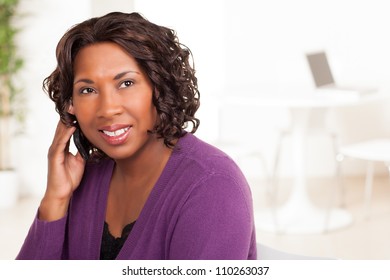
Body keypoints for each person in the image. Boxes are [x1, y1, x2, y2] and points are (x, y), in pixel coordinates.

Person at [16, 11, 257, 260]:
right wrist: (56, 198)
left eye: (126, 83)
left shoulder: (212, 188)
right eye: (87, 90)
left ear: (159, 85)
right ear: (71, 105)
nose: (108, 109)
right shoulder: (84, 178)